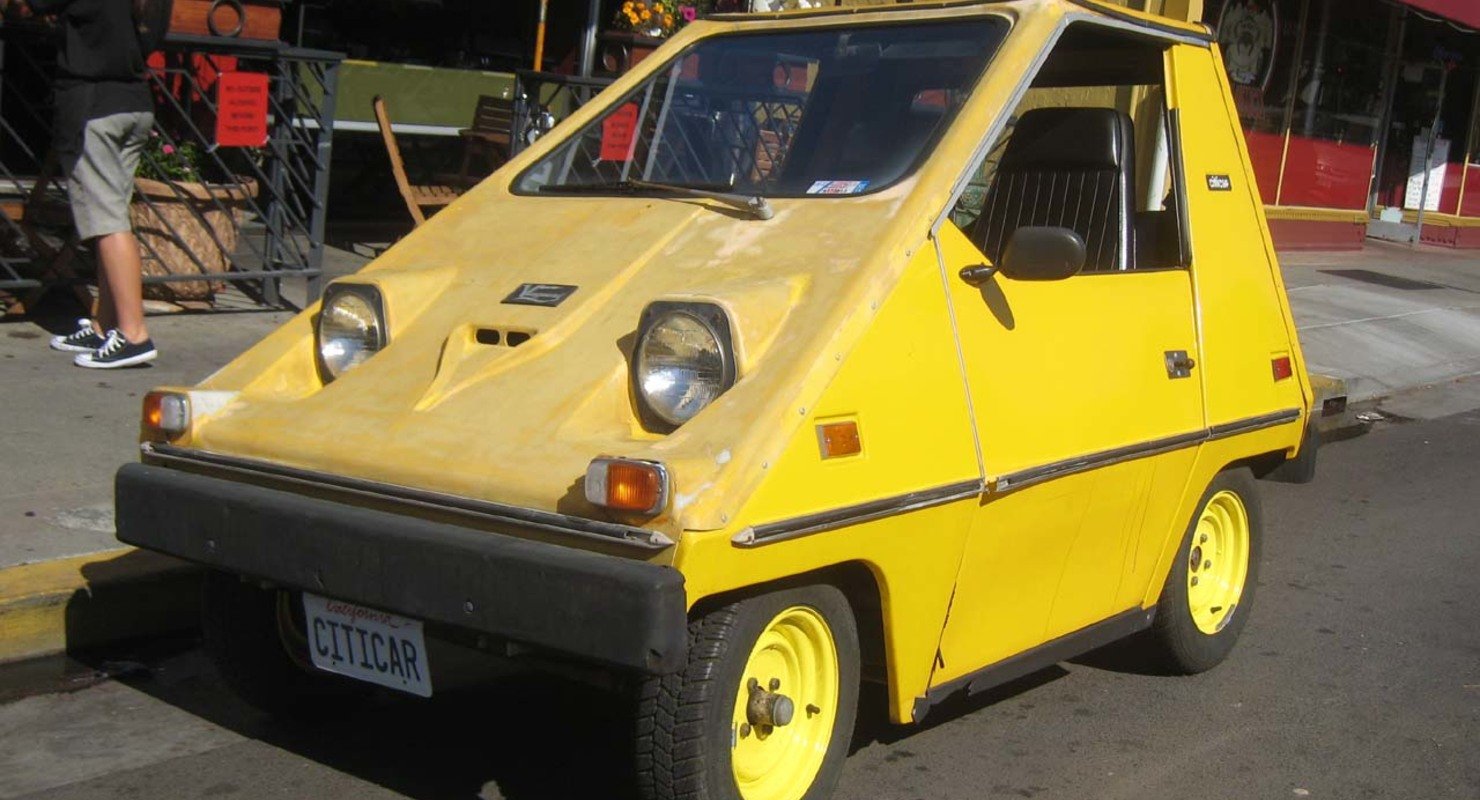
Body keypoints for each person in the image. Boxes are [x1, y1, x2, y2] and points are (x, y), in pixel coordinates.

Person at [11, 0, 159, 367]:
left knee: (106, 223)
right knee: (114, 217)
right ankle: (105, 325)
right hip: (134, 102)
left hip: (94, 106)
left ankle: (134, 334)